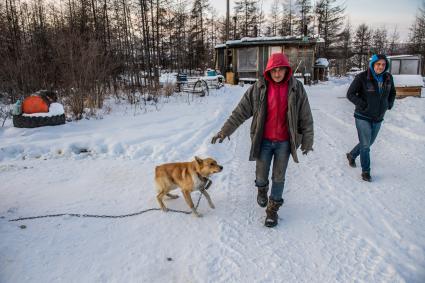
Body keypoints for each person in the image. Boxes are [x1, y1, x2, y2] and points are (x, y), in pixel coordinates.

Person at [211, 53, 314, 228]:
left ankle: (272, 210)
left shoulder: (296, 88)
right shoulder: (258, 88)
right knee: (261, 175)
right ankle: (262, 189)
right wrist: (224, 131)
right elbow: (240, 112)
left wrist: (307, 141)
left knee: (279, 177)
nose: (277, 73)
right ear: (268, 70)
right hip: (264, 141)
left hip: (284, 143)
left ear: (286, 70)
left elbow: (306, 116)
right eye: (274, 70)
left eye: (281, 69)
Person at [346, 54, 396, 182]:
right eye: (378, 64)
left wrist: (389, 104)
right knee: (366, 145)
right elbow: (350, 94)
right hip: (363, 116)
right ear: (373, 64)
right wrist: (363, 105)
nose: (381, 67)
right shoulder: (362, 77)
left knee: (369, 142)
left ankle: (352, 155)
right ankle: (366, 172)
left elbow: (392, 93)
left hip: (378, 117)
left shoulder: (388, 78)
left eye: (383, 64)